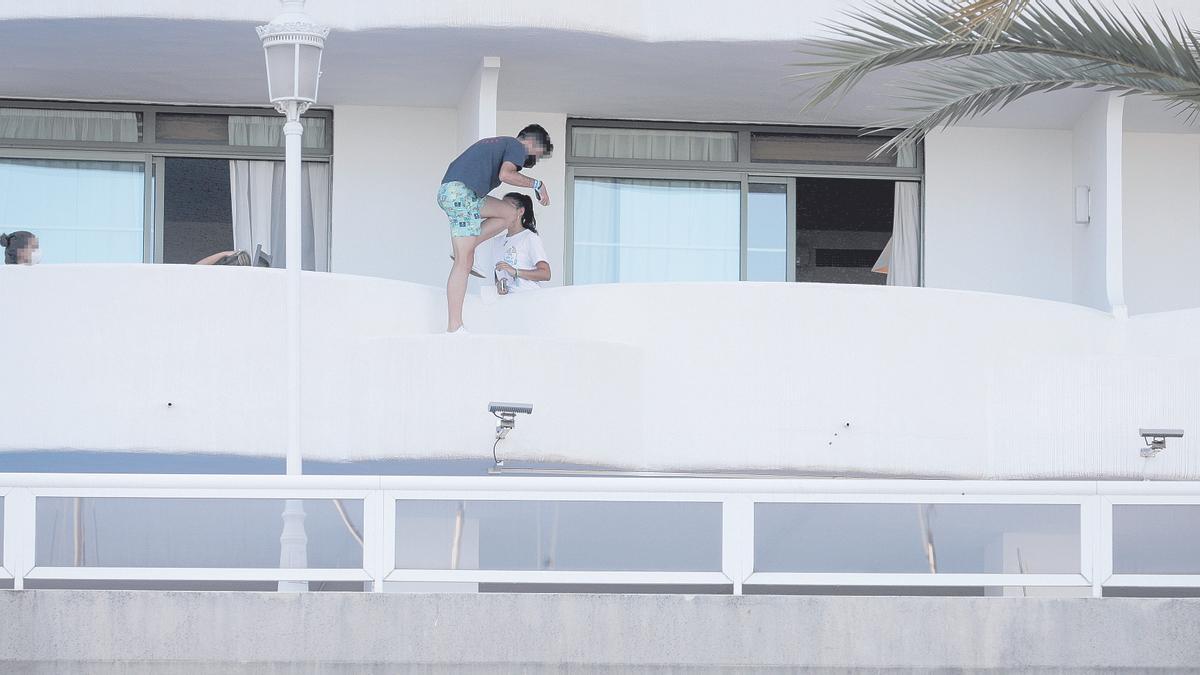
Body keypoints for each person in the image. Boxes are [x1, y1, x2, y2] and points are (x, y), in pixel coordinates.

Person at [438, 124, 553, 333]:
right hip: (462, 194)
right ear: (532, 142)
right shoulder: (516, 145)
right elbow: (506, 175)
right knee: (464, 262)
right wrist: (538, 184)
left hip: (457, 192)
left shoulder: (499, 143)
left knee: (509, 213)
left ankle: (465, 248)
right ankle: (454, 327)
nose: (534, 161)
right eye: (538, 154)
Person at [494, 192, 550, 294]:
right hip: (506, 301)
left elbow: (545, 273)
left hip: (528, 298)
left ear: (520, 211)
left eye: (507, 207)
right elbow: (499, 274)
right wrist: (498, 285)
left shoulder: (530, 237)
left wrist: (515, 272)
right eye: (501, 207)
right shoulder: (497, 241)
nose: (502, 211)